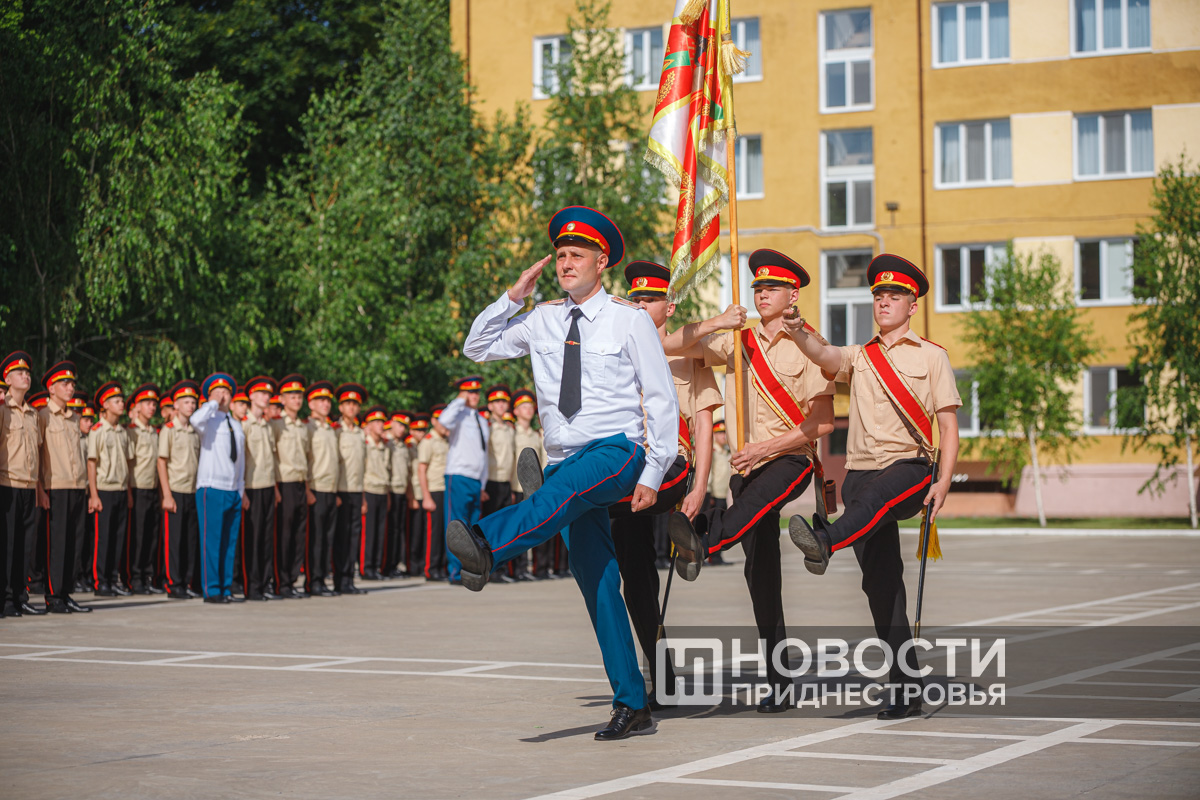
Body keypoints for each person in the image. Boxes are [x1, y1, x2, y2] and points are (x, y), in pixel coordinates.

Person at [449, 205, 678, 740]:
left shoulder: (629, 319)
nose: (565, 263)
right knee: (597, 581)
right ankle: (632, 704)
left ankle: (487, 544)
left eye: (577, 255)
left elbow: (661, 398)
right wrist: (513, 297)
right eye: (559, 256)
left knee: (565, 487)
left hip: (617, 450)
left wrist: (653, 473)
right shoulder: (541, 318)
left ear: (602, 262)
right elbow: (476, 348)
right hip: (562, 456)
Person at [781, 253, 961, 720]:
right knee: (881, 587)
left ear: (912, 305)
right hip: (860, 473)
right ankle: (906, 687)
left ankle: (826, 540)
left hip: (909, 468)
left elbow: (948, 427)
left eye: (894, 296)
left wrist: (943, 482)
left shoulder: (932, 356)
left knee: (879, 499)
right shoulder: (861, 356)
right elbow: (824, 355)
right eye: (879, 295)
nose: (884, 302)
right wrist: (798, 331)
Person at [662, 249, 836, 711]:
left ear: (793, 295)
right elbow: (669, 344)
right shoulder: (737, 341)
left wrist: (764, 447)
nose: (761, 294)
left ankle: (703, 538)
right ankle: (780, 681)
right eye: (757, 287)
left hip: (788, 459)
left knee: (751, 507)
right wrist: (717, 321)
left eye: (771, 288)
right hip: (745, 468)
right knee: (761, 576)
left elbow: (821, 423)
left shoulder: (810, 344)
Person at [609, 260, 723, 707]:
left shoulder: (689, 356)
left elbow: (703, 424)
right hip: (627, 471)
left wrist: (699, 486)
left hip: (672, 465)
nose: (640, 306)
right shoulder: (619, 351)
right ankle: (663, 678)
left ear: (669, 307)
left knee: (646, 493)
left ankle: (694, 533)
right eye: (634, 299)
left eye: (649, 300)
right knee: (637, 584)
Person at [37, 361, 91, 613]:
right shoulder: (43, 416)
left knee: (74, 543)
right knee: (56, 544)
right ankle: (53, 595)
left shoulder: (74, 418)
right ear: (51, 388)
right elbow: (37, 455)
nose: (70, 388)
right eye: (65, 384)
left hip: (77, 485)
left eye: (72, 384)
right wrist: (40, 488)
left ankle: (66, 592)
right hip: (55, 486)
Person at [192, 372, 246, 604]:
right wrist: (212, 403)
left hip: (232, 488)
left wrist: (241, 489)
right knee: (211, 542)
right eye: (218, 391)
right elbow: (195, 420)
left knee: (228, 543)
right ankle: (212, 589)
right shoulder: (207, 420)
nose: (223, 395)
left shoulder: (236, 424)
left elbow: (241, 459)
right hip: (211, 487)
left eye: (226, 392)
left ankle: (225, 587)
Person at [1, 352, 46, 616]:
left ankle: (20, 596)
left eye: (28, 372)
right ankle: (6, 599)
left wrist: (39, 488)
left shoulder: (32, 414)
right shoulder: (2, 409)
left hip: (29, 485)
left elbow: (37, 452)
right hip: (7, 483)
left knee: (24, 545)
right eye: (19, 373)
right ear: (7, 379)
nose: (26, 376)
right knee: (7, 545)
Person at [436, 377, 490, 586]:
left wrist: (482, 484)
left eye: (476, 392)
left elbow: (483, 455)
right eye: (469, 392)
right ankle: (455, 571)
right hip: (458, 475)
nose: (473, 396)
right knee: (456, 525)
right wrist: (459, 400)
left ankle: (471, 569)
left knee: (473, 528)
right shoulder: (457, 415)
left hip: (475, 479)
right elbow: (443, 421)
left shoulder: (481, 420)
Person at [88, 380, 135, 598]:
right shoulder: (98, 431)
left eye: (121, 400)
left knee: (118, 538)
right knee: (103, 538)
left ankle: (113, 579)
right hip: (104, 490)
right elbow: (91, 463)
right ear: (105, 405)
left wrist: (128, 492)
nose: (121, 404)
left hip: (121, 489)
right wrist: (94, 494)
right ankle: (100, 581)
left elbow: (128, 464)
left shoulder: (123, 432)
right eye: (116, 401)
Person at [158, 380, 202, 599]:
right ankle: (173, 583)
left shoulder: (195, 431)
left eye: (193, 402)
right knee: (174, 540)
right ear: (176, 405)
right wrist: (167, 494)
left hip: (192, 490)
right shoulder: (169, 430)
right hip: (175, 490)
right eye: (186, 402)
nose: (191, 405)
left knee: (190, 539)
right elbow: (161, 462)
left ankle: (187, 581)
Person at [271, 374, 311, 598]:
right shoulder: (277, 424)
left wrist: (307, 488)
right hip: (284, 484)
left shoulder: (302, 427)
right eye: (292, 396)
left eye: (299, 396)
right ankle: (281, 582)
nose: (296, 400)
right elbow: (273, 457)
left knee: (298, 534)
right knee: (284, 535)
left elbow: (306, 458)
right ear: (282, 399)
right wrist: (275, 487)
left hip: (300, 484)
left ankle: (293, 580)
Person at [241, 375, 279, 600]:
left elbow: (271, 459)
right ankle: (252, 586)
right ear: (252, 396)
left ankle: (265, 584)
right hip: (252, 487)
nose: (266, 397)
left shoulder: (267, 426)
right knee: (253, 539)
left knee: (266, 538)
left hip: (267, 486)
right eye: (262, 394)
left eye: (268, 394)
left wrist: (275, 489)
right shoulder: (244, 425)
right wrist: (242, 491)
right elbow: (240, 462)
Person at [510, 390, 554, 580]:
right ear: (515, 411)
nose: (528, 410)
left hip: (536, 488)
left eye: (530, 406)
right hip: (517, 487)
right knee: (518, 528)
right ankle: (518, 570)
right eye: (524, 407)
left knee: (538, 527)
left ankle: (539, 568)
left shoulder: (536, 435)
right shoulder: (512, 432)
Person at [125, 383, 162, 594]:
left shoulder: (154, 432)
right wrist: (129, 491)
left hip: (153, 488)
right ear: (137, 406)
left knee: (151, 535)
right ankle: (134, 577)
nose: (151, 407)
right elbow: (128, 464)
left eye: (153, 404)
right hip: (137, 488)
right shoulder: (132, 431)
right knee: (137, 536)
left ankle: (147, 577)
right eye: (147, 403)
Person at [304, 381, 339, 597]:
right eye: (320, 400)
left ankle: (322, 579)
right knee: (315, 539)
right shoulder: (307, 427)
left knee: (327, 539)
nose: (325, 404)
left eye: (327, 401)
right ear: (311, 404)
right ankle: (313, 581)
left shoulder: (331, 429)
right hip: (315, 488)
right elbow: (305, 459)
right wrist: (307, 489)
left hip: (331, 489)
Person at [333, 383, 368, 595]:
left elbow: (362, 466)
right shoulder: (336, 431)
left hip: (356, 490)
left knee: (354, 536)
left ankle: (348, 579)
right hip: (341, 490)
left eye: (355, 404)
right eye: (347, 403)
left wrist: (362, 496)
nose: (352, 407)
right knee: (341, 536)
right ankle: (339, 579)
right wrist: (336, 492)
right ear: (341, 407)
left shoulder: (360, 433)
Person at [416, 405, 449, 581]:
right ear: (434, 421)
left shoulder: (447, 440)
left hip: (446, 489)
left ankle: (442, 566)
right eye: (441, 421)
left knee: (445, 531)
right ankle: (431, 568)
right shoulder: (428, 441)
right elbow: (421, 470)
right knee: (433, 533)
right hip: (434, 490)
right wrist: (426, 496)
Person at [360, 405, 391, 581]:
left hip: (382, 491)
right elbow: (361, 471)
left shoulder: (384, 446)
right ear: (369, 425)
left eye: (381, 422)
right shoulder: (365, 445)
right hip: (369, 490)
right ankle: (366, 568)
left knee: (380, 533)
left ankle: (375, 566)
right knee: (369, 533)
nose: (380, 425)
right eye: (376, 422)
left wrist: (387, 495)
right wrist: (363, 498)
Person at [385, 411, 413, 577]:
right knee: (390, 530)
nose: (402, 429)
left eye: (404, 426)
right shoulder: (387, 443)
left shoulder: (403, 446)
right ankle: (386, 565)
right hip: (390, 491)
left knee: (398, 530)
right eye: (400, 425)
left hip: (401, 491)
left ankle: (394, 564)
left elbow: (407, 473)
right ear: (392, 424)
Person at [406, 413, 430, 575]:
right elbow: (408, 474)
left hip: (424, 493)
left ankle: (421, 563)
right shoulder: (409, 447)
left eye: (423, 430)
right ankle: (412, 565)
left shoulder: (425, 445)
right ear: (411, 431)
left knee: (423, 531)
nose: (421, 433)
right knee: (413, 532)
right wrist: (411, 496)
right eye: (417, 430)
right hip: (414, 493)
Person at [705, 419, 731, 565]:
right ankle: (711, 556)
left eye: (724, 433)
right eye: (720, 433)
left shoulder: (725, 451)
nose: (723, 436)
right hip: (714, 494)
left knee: (720, 526)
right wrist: (710, 493)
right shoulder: (713, 451)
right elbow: (710, 473)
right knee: (712, 526)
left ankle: (717, 556)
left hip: (722, 494)